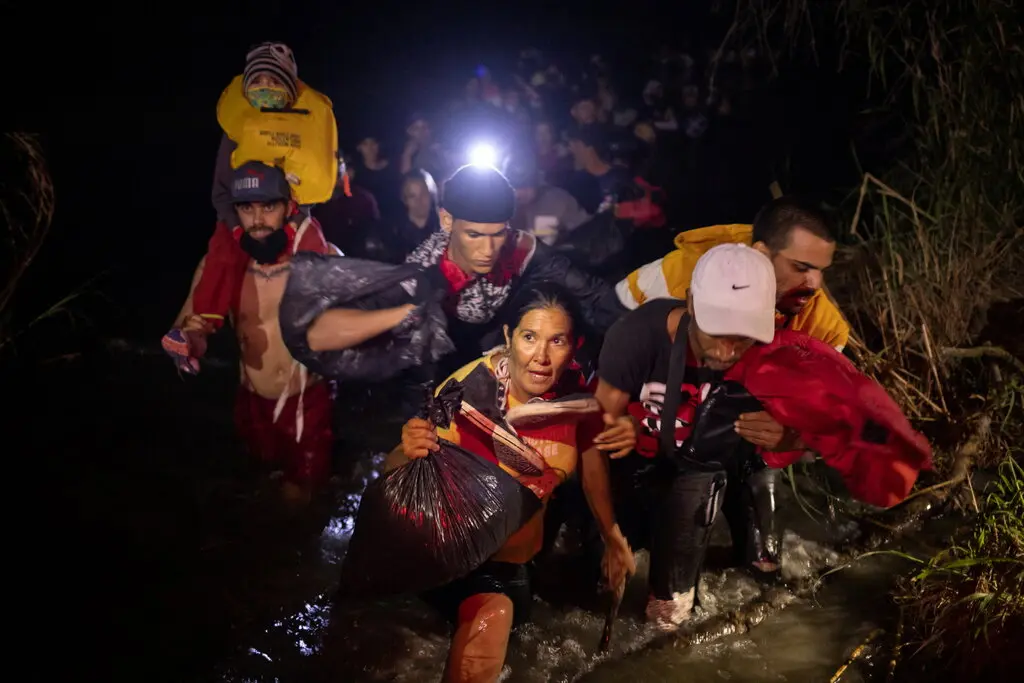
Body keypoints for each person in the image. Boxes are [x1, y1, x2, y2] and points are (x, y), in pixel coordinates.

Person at [388, 284, 636, 683]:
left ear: (575, 347)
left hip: (508, 567)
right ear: (507, 338)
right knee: (491, 622)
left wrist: (612, 535)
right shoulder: (466, 391)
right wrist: (406, 448)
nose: (541, 357)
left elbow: (591, 464)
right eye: (529, 337)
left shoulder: (577, 400)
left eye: (557, 341)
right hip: (444, 562)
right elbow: (397, 469)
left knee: (503, 615)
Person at [595, 243, 801, 630]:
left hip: (699, 466)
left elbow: (837, 431)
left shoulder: (773, 354)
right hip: (633, 460)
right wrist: (609, 533)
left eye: (742, 337)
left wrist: (791, 438)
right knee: (597, 588)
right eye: (718, 330)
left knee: (668, 612)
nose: (727, 350)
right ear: (691, 302)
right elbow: (592, 439)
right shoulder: (636, 335)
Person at [294, 163, 627, 380]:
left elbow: (591, 294)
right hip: (435, 371)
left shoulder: (518, 247)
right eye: (474, 235)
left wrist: (643, 339)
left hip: (501, 356)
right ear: (447, 221)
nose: (488, 249)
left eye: (498, 234)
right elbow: (318, 333)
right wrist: (403, 314)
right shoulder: (424, 271)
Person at [167, 163, 334, 507]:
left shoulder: (323, 260)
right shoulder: (219, 268)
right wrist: (186, 346)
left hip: (305, 401)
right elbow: (185, 324)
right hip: (250, 400)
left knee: (298, 501)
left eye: (268, 206)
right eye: (247, 208)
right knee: (258, 486)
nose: (257, 220)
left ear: (288, 207)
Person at [167, 42, 338, 347]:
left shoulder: (307, 126)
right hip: (242, 219)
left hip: (289, 217)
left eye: (274, 81)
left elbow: (310, 189)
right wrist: (237, 229)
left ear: (288, 88)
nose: (265, 87)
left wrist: (289, 224)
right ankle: (195, 333)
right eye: (257, 81)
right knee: (217, 257)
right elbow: (221, 193)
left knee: (319, 258)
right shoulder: (236, 130)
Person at [616, 195, 850, 351]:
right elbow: (611, 338)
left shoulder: (825, 331)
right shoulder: (675, 278)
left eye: (820, 270)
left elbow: (818, 407)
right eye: (800, 267)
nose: (816, 284)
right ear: (761, 253)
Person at [503, 152, 590, 246]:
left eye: (525, 186)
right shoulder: (506, 204)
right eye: (514, 187)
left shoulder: (552, 200)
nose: (519, 193)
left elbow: (540, 246)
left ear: (536, 182)